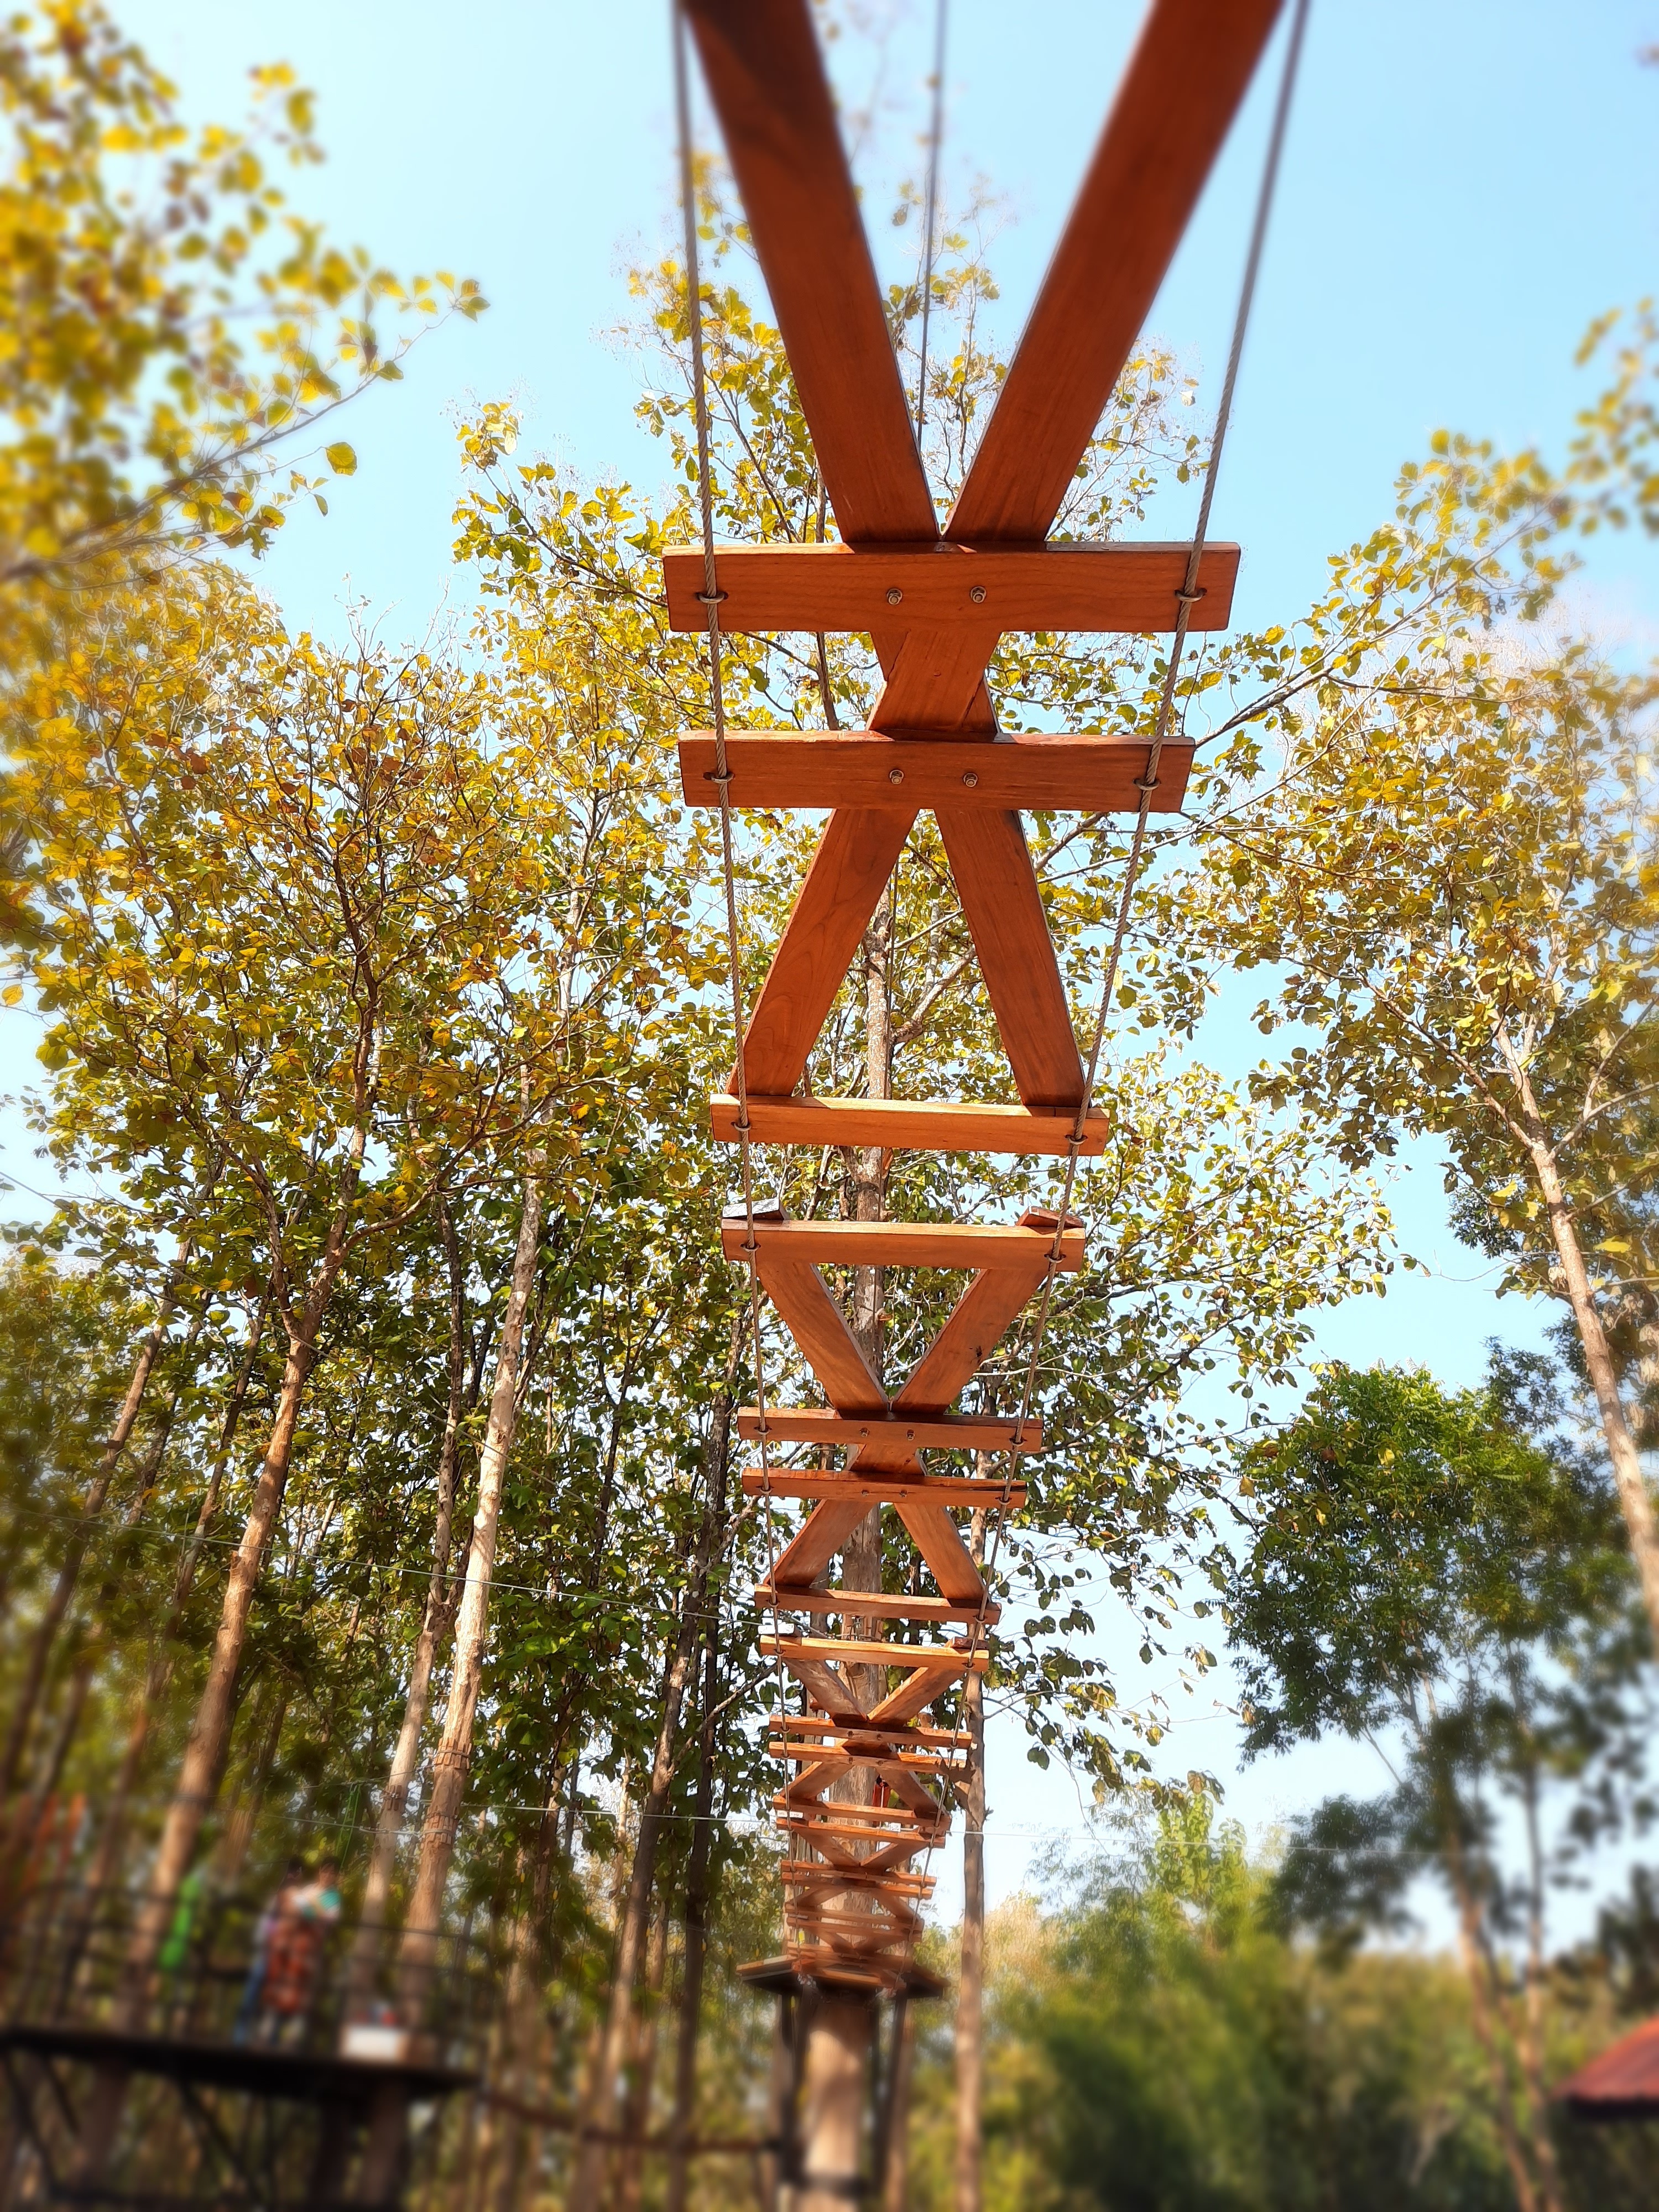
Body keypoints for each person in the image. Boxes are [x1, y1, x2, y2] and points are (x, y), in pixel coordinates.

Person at [253, 1855, 341, 2047]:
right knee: (279, 1982)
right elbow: (294, 1905)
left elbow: (327, 1919)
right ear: (320, 1872)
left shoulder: (334, 1898)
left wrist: (309, 1906)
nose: (328, 1875)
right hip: (291, 1943)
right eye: (325, 1871)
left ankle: (292, 2037)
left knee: (302, 1991)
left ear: (336, 1876)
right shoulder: (309, 1890)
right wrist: (308, 1906)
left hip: (311, 1946)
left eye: (332, 1873)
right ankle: (267, 2030)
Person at [233, 1859, 302, 2046]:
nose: (295, 1874)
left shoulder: (297, 1905)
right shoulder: (275, 1904)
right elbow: (262, 1932)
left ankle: (268, 2042)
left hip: (283, 1962)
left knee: (274, 2006)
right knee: (253, 1997)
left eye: (298, 1871)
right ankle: (241, 2038)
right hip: (266, 1957)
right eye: (294, 1870)